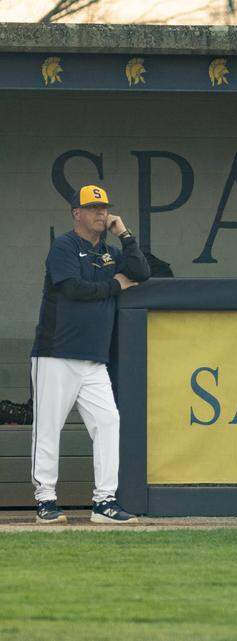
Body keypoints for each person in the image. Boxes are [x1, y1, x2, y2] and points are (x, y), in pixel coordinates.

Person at [30, 185, 151, 524]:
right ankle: (45, 500)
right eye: (93, 207)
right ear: (76, 213)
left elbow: (141, 272)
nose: (101, 213)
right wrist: (116, 285)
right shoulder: (64, 245)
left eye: (104, 208)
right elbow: (73, 288)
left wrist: (125, 234)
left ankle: (104, 501)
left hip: (94, 359)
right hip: (56, 353)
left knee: (109, 422)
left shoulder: (111, 251)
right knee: (49, 427)